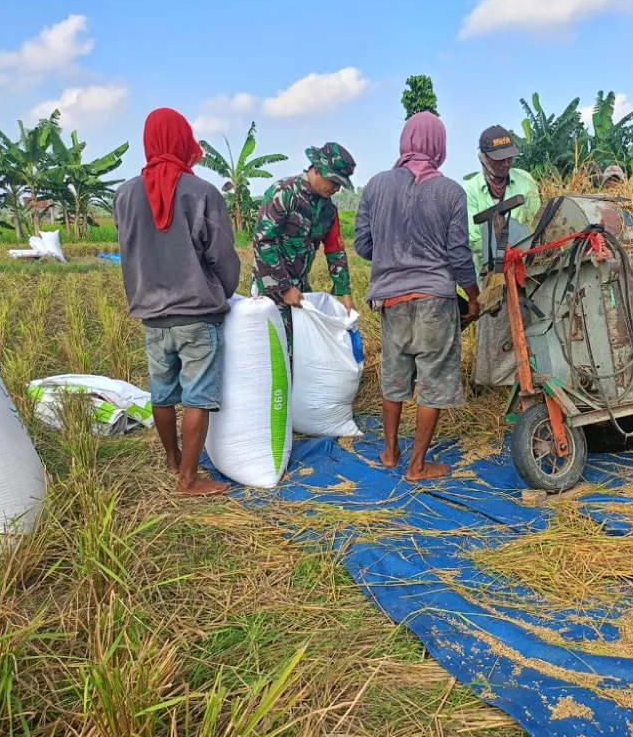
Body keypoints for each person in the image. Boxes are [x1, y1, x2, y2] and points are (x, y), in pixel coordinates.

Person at [114, 108, 240, 497]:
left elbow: (129, 250)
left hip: (152, 315)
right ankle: (189, 479)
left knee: (163, 392)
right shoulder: (202, 192)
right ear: (183, 140)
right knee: (198, 395)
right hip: (196, 314)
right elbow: (222, 255)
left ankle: (172, 461)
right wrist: (226, 290)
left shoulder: (124, 195)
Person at [355, 112, 480, 482]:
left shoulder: (376, 186)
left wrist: (392, 254)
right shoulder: (451, 191)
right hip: (435, 303)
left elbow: (363, 244)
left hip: (391, 303)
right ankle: (418, 465)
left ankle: (391, 452)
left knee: (394, 379)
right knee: (434, 381)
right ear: (438, 146)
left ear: (405, 142)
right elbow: (459, 255)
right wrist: (472, 297)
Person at [251, 142, 357, 343]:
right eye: (333, 181)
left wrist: (344, 292)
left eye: (340, 184)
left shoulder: (328, 210)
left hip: (300, 288)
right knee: (277, 353)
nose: (336, 188)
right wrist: (285, 286)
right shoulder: (284, 194)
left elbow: (335, 250)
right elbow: (263, 241)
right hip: (270, 290)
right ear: (317, 170)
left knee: (305, 349)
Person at [463, 126, 541, 387]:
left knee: (525, 320)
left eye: (509, 157)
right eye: (498, 158)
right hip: (489, 274)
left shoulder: (526, 181)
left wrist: (520, 250)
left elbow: (534, 222)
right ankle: (490, 382)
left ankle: (525, 379)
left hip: (524, 268)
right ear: (482, 157)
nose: (505, 163)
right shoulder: (471, 190)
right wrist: (500, 251)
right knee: (493, 324)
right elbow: (474, 237)